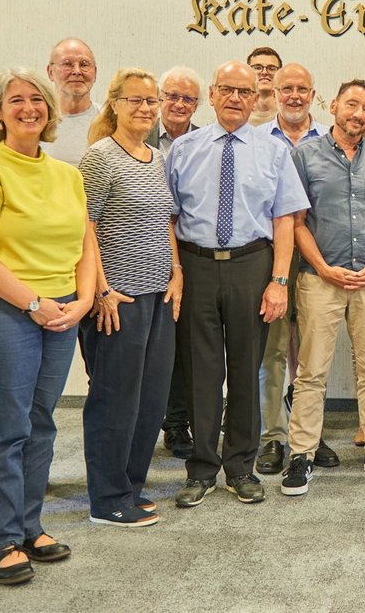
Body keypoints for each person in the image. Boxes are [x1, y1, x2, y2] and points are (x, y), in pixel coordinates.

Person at [0, 67, 94, 585]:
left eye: (38, 99)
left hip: (59, 310)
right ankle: (5, 539)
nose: (29, 107)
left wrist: (80, 301)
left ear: (51, 111)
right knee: (8, 426)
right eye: (17, 100)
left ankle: (31, 525)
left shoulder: (67, 175)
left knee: (42, 421)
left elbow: (86, 244)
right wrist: (34, 302)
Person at [166, 61, 307, 508]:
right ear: (211, 94)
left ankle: (241, 468)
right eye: (227, 89)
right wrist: (176, 271)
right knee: (202, 372)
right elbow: (168, 219)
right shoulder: (184, 149)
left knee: (248, 369)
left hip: (252, 265)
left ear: (255, 98)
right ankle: (203, 468)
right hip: (197, 266)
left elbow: (285, 220)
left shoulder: (273, 151)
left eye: (244, 92)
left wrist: (279, 281)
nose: (235, 98)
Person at [282, 79, 365, 496]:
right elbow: (295, 223)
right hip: (320, 281)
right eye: (352, 104)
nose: (359, 114)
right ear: (333, 106)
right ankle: (301, 453)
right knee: (311, 371)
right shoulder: (303, 156)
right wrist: (323, 268)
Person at [78, 68, 181, 527]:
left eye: (150, 101)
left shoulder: (156, 157)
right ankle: (107, 499)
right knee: (114, 400)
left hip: (159, 296)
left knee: (150, 399)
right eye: (134, 100)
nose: (144, 108)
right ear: (114, 104)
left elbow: (165, 223)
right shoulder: (99, 158)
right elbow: (86, 229)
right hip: (118, 299)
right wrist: (99, 289)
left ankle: (131, 488)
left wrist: (176, 272)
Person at [253, 63, 339, 475]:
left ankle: (310, 435)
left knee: (311, 358)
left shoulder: (329, 140)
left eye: (302, 89)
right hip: (267, 265)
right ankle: (272, 438)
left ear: (313, 94)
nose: (293, 96)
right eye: (286, 88)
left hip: (316, 265)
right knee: (271, 355)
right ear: (274, 91)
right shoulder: (256, 140)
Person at [149, 66, 202, 461]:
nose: (180, 104)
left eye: (188, 99)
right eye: (173, 96)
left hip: (186, 252)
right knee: (147, 344)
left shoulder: (205, 142)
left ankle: (176, 423)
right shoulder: (135, 136)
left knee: (183, 346)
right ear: (159, 97)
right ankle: (142, 421)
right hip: (138, 252)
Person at [41, 38, 101, 166]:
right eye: (67, 64)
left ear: (95, 73)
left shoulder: (109, 121)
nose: (77, 71)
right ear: (50, 72)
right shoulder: (35, 121)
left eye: (84, 64)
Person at [247, 46, 282, 126]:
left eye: (271, 68)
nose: (264, 72)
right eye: (257, 68)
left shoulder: (291, 115)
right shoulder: (236, 116)